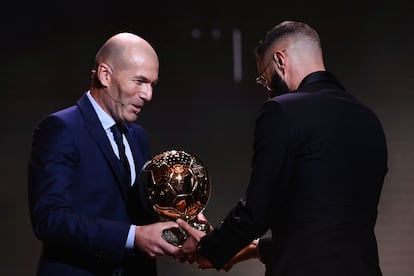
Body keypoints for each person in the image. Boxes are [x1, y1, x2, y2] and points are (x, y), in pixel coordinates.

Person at [175, 20, 388, 276]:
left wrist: (210, 246)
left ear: (280, 61)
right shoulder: (369, 120)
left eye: (266, 81)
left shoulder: (282, 111)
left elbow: (256, 211)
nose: (269, 92)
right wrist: (256, 249)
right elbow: (329, 227)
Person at [28, 32, 181, 275]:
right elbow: (50, 219)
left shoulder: (138, 136)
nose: (148, 95)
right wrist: (133, 236)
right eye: (139, 81)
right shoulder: (60, 129)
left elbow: (137, 211)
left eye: (152, 85)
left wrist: (181, 226)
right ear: (105, 75)